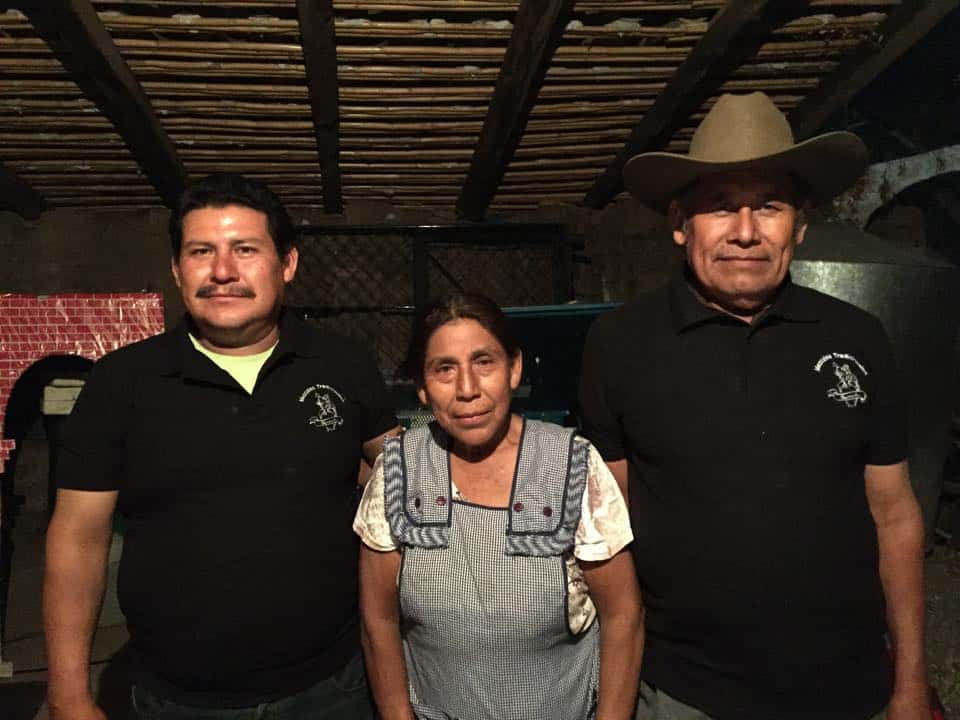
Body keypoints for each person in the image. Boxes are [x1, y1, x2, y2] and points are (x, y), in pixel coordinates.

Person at [578, 92, 928, 720]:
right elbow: (612, 528)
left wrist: (910, 685)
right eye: (720, 206)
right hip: (686, 692)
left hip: (849, 688)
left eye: (768, 206)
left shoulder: (857, 337)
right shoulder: (620, 344)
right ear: (680, 223)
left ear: (799, 224)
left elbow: (895, 517)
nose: (745, 232)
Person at [44, 173, 400, 719]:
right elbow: (78, 538)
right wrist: (68, 693)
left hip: (332, 686)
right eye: (201, 252)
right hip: (180, 699)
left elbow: (402, 473)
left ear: (287, 264)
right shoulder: (123, 381)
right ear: (176, 270)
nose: (223, 271)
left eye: (245, 250)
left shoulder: (342, 364)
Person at [355, 293, 643, 720]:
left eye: (484, 362)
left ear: (514, 368)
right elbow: (378, 620)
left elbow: (622, 616)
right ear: (422, 387)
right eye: (444, 369)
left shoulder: (572, 464)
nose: (467, 389)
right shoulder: (399, 470)